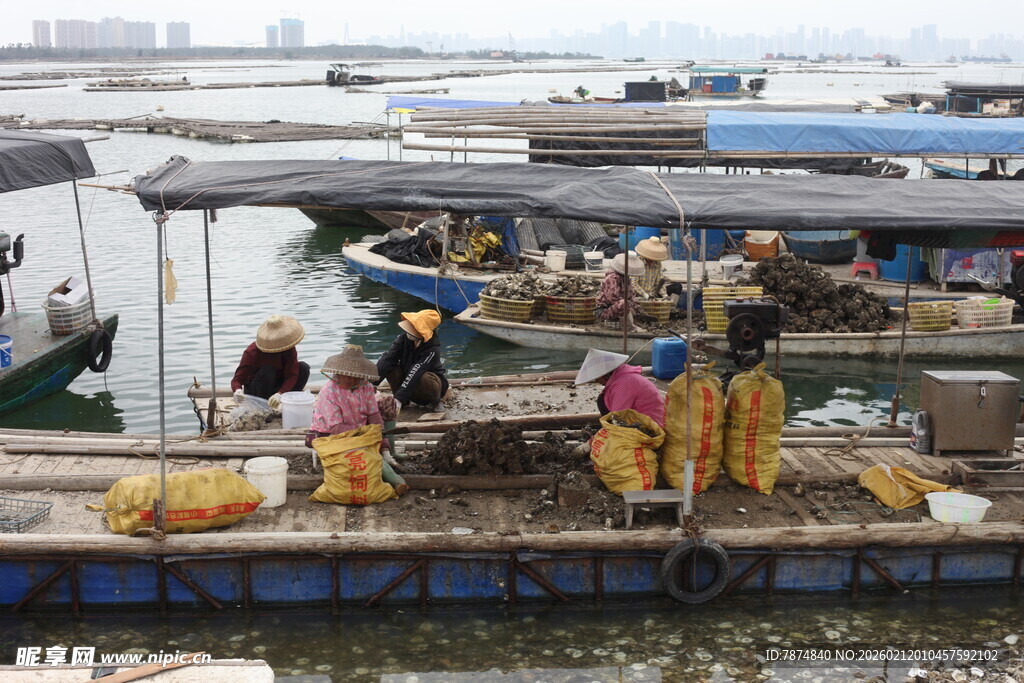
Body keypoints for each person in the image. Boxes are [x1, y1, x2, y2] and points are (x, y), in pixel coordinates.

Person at [307, 345, 408, 495]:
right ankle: (396, 480)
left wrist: (381, 440)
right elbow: (336, 428)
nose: (350, 379)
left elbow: (373, 414)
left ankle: (388, 453)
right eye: (346, 375)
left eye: (355, 375)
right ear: (339, 373)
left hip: (359, 429)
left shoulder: (365, 387)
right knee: (364, 450)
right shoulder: (328, 393)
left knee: (387, 402)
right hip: (330, 434)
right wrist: (366, 435)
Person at [376, 309, 449, 411]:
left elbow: (416, 371)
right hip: (408, 385)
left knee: (425, 377)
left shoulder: (432, 349)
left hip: (426, 388)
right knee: (391, 366)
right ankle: (404, 401)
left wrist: (398, 399)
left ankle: (435, 402)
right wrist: (372, 383)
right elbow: (388, 358)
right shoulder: (402, 340)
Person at [231, 315, 309, 410]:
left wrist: (280, 394)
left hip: (278, 387)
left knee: (303, 368)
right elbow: (237, 379)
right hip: (258, 388)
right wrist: (237, 390)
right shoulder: (252, 352)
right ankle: (263, 407)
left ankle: (287, 402)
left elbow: (292, 374)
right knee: (268, 370)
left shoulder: (288, 348)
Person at [575, 348, 665, 427]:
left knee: (602, 401)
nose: (597, 381)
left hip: (651, 426)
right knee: (602, 399)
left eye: (597, 378)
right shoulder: (623, 378)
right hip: (643, 420)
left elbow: (618, 416)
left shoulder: (624, 383)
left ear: (604, 375)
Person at [595, 251, 645, 325]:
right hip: (605, 310)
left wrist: (639, 310)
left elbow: (631, 297)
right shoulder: (612, 279)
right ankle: (631, 326)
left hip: (618, 307)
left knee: (632, 304)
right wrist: (629, 306)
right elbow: (612, 299)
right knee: (623, 304)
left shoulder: (626, 279)